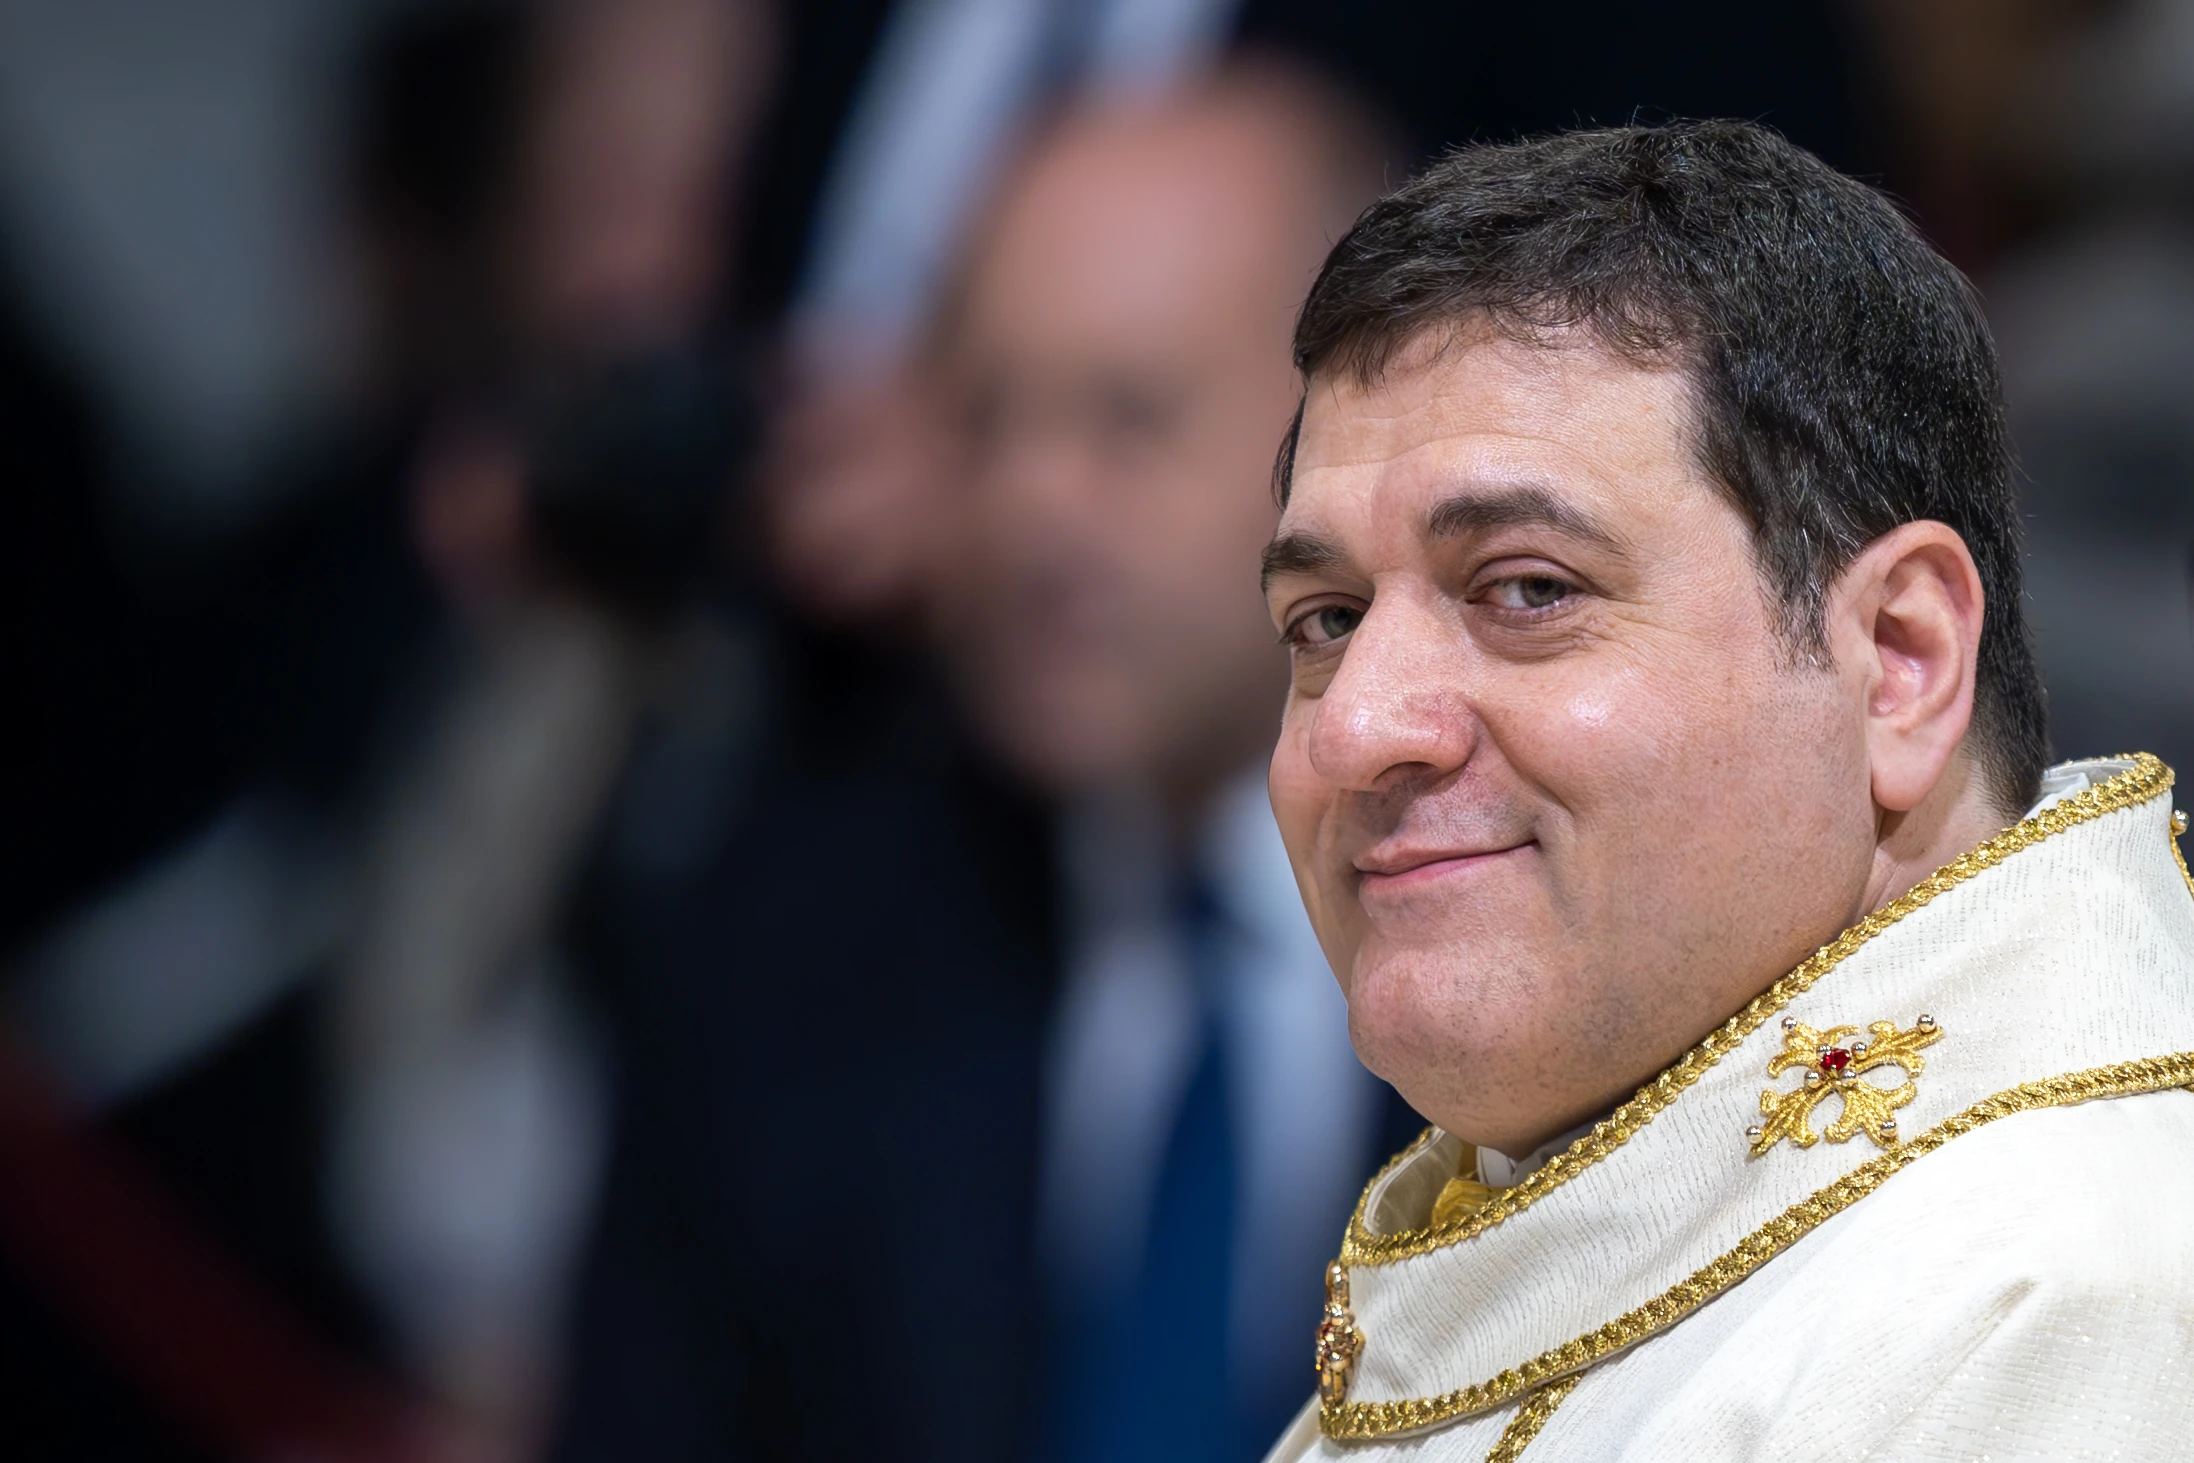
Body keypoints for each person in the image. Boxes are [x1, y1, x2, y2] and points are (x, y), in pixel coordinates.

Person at [1255, 120, 2194, 1461]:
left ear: (1898, 662)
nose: (1355, 728)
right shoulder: (1533, 1245)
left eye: (1526, 590)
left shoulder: (2042, 1291)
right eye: (1326, 618)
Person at [935, 64, 1417, 1462]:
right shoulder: (789, 966)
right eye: (985, 420)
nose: (1029, 507)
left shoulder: (1583, 941)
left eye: (1125, 416)